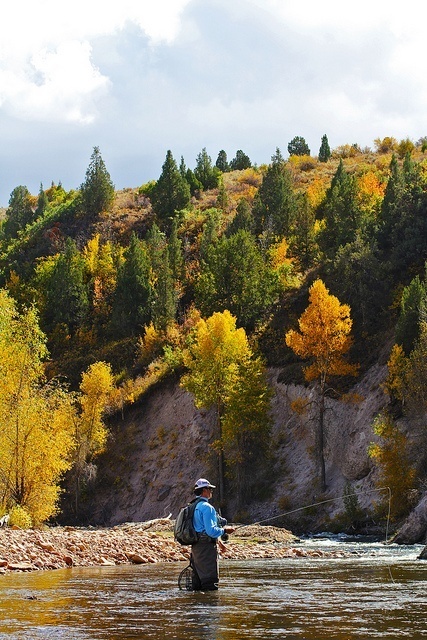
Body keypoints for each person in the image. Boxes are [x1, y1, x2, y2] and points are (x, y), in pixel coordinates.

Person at [191, 478, 235, 591]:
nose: (211, 491)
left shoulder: (193, 506)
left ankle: (197, 607)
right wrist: (225, 530)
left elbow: (200, 529)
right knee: (210, 582)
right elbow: (210, 531)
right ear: (204, 490)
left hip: (196, 548)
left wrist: (220, 544)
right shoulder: (207, 507)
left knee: (197, 583)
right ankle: (210, 607)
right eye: (210, 489)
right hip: (206, 548)